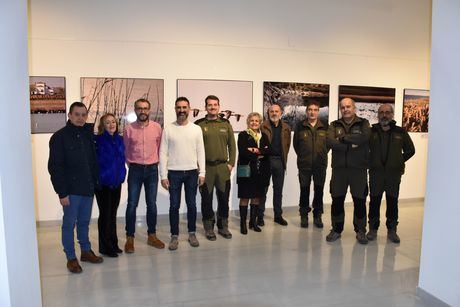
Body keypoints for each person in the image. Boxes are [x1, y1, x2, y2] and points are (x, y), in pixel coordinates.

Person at [48, 101, 103, 273]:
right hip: (71, 190)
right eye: (77, 114)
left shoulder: (88, 134)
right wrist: (61, 193)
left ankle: (85, 251)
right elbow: (55, 167)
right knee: (69, 224)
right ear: (70, 116)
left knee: (84, 222)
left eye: (83, 115)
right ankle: (71, 257)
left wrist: (96, 183)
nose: (80, 118)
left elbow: (92, 162)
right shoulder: (59, 137)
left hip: (87, 188)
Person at [159, 97, 206, 250]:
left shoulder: (196, 129)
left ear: (189, 109)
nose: (182, 110)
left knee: (191, 204)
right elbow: (163, 153)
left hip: (192, 172)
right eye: (179, 107)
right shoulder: (168, 129)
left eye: (184, 107)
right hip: (174, 173)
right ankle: (174, 236)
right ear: (175, 109)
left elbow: (201, 152)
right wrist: (163, 176)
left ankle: (192, 233)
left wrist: (202, 172)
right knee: (174, 205)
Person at [367, 104, 415, 243]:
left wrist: (398, 161)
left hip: (393, 175)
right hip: (376, 174)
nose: (384, 115)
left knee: (392, 202)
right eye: (381, 112)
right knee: (374, 202)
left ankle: (392, 230)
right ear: (378, 115)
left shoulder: (401, 132)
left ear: (392, 114)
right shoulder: (372, 132)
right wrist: (371, 162)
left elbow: (410, 150)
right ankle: (373, 229)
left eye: (387, 112)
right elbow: (364, 150)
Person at [326, 98, 371, 244]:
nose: (346, 109)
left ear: (354, 108)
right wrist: (350, 144)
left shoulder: (363, 123)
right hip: (339, 171)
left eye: (348, 106)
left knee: (359, 201)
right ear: (340, 109)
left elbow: (364, 137)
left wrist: (344, 138)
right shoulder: (334, 125)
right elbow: (330, 141)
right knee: (337, 201)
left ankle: (360, 231)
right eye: (343, 107)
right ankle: (336, 230)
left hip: (358, 170)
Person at [123, 98, 164, 253]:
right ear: (135, 110)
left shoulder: (157, 128)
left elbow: (160, 148)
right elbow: (126, 150)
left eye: (145, 108)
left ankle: (152, 235)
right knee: (132, 204)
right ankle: (129, 238)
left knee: (151, 204)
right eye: (139, 108)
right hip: (135, 170)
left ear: (149, 110)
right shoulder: (129, 129)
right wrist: (133, 164)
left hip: (152, 170)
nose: (143, 111)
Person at [195, 95, 236, 240]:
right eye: (209, 105)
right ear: (205, 107)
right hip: (206, 169)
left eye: (215, 105)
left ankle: (223, 226)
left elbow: (232, 145)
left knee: (223, 198)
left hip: (222, 168)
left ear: (219, 106)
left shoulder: (226, 124)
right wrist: (199, 168)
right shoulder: (199, 125)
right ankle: (208, 228)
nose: (212, 107)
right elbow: (194, 147)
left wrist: (231, 163)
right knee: (206, 199)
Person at [94, 113, 127, 257]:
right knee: (105, 215)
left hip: (116, 183)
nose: (111, 124)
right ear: (102, 125)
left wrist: (122, 175)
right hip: (103, 184)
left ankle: (113, 243)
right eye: (107, 122)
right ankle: (105, 247)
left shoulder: (120, 140)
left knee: (112, 214)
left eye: (113, 122)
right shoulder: (98, 140)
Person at [293, 101, 328, 228]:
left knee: (319, 191)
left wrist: (321, 155)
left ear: (318, 112)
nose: (312, 112)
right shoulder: (300, 126)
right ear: (306, 111)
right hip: (304, 165)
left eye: (315, 110)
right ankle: (304, 215)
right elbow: (296, 145)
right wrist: (303, 156)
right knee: (304, 190)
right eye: (310, 110)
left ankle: (317, 215)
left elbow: (327, 145)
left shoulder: (325, 126)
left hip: (320, 165)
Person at [236, 112, 271, 234]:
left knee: (256, 197)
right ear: (248, 122)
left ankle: (253, 222)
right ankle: (243, 224)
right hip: (247, 172)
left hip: (261, 172)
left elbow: (268, 151)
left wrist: (256, 150)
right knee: (245, 197)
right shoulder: (243, 135)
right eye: (252, 121)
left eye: (257, 121)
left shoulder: (264, 136)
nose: (254, 123)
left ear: (260, 123)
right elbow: (243, 152)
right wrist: (259, 153)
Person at [259, 104, 291, 226]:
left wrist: (282, 158)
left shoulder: (286, 127)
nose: (274, 113)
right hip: (266, 161)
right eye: (271, 111)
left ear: (281, 113)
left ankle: (278, 216)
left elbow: (287, 145)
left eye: (276, 111)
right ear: (268, 113)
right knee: (263, 190)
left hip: (280, 161)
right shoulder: (263, 126)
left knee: (278, 191)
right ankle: (259, 216)